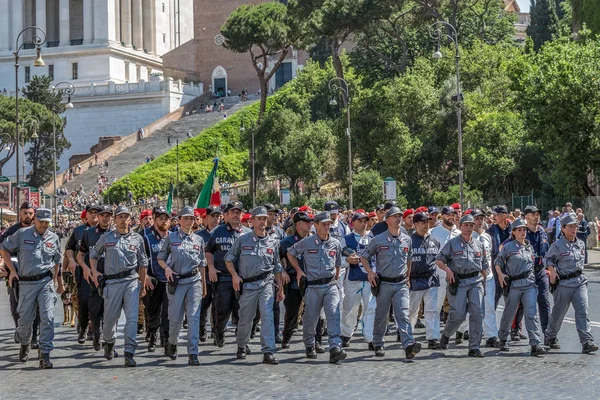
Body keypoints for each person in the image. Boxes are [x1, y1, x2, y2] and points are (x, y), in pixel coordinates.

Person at [1, 208, 63, 369]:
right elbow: (4, 248)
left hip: (45, 283)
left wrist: (56, 278)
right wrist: (12, 271)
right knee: (25, 321)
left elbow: (57, 260)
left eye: (47, 222)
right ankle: (24, 342)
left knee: (48, 318)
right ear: (35, 220)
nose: (43, 225)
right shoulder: (22, 234)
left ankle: (45, 354)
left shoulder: (54, 238)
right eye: (41, 221)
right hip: (26, 283)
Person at [90, 206, 148, 367]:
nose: (123, 219)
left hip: (131, 281)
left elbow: (143, 264)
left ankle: (129, 352)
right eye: (120, 216)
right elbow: (93, 255)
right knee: (109, 320)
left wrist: (142, 285)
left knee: (132, 318)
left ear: (131, 219)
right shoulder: (106, 238)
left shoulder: (137, 239)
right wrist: (94, 272)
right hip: (112, 283)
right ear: (114, 220)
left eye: (126, 216)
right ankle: (109, 342)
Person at [225, 206, 284, 365]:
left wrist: (280, 287)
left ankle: (268, 351)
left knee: (267, 316)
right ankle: (242, 345)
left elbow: (277, 266)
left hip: (266, 283)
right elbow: (229, 259)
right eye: (259, 218)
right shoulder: (242, 240)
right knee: (246, 318)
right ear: (252, 220)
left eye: (264, 218)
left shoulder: (273, 241)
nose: (262, 222)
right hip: (249, 285)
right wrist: (235, 276)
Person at [360, 206, 420, 359]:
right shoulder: (378, 239)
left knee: (403, 314)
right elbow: (364, 257)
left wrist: (408, 277)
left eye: (400, 216)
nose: (398, 219)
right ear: (387, 220)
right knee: (381, 315)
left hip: (400, 283)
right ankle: (378, 343)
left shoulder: (407, 239)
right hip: (384, 283)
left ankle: (408, 344)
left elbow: (409, 259)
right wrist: (370, 272)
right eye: (394, 216)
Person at [287, 211, 347, 364]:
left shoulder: (335, 243)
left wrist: (335, 277)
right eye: (324, 224)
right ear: (316, 225)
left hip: (330, 285)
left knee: (333, 314)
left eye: (329, 224)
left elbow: (338, 262)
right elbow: (290, 253)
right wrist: (299, 271)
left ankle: (335, 347)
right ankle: (309, 344)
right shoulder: (306, 242)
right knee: (311, 318)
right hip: (313, 286)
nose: (327, 227)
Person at [158, 206, 206, 366]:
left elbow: (202, 264)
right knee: (175, 318)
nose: (189, 221)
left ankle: (193, 352)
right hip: (177, 282)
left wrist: (204, 285)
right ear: (179, 220)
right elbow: (161, 258)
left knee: (193, 317)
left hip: (194, 281)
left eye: (191, 218)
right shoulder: (170, 238)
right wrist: (167, 268)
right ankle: (172, 342)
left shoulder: (199, 240)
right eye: (185, 218)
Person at [545, 213, 598, 354]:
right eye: (570, 227)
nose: (574, 229)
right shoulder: (557, 245)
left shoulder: (580, 244)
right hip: (563, 284)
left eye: (575, 226)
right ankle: (550, 336)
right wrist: (552, 271)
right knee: (559, 313)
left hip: (579, 282)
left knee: (583, 311)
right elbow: (548, 259)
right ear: (563, 228)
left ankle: (587, 341)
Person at [436, 214, 488, 357]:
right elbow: (439, 260)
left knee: (477, 313)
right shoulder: (452, 243)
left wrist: (484, 285)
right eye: (466, 225)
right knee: (458, 314)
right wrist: (447, 270)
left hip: (475, 281)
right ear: (460, 227)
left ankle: (474, 347)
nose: (469, 227)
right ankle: (446, 334)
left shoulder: (479, 244)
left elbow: (484, 266)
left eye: (472, 225)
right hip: (458, 282)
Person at [495, 218, 546, 356]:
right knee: (509, 313)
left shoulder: (529, 246)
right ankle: (503, 338)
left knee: (531, 314)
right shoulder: (508, 247)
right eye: (519, 230)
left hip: (529, 284)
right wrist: (500, 274)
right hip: (514, 285)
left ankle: (535, 343)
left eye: (524, 229)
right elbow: (498, 262)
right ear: (513, 232)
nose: (523, 232)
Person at [205, 201, 251, 347]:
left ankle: (242, 341)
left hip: (243, 277)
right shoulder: (216, 232)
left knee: (242, 311)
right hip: (223, 277)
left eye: (238, 212)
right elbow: (208, 251)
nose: (236, 215)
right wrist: (211, 267)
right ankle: (219, 331)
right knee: (223, 308)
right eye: (233, 212)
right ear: (226, 215)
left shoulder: (248, 233)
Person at [76, 205, 113, 353]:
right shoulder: (89, 233)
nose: (105, 218)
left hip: (112, 278)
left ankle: (109, 340)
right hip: (95, 279)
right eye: (102, 215)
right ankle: (96, 334)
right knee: (95, 311)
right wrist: (86, 269)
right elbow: (80, 255)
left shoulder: (116, 233)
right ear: (99, 217)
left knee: (111, 311)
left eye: (108, 215)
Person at [0, 202, 37, 345]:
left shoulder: (38, 230)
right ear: (20, 214)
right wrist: (3, 265)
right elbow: (2, 248)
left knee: (36, 306)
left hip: (34, 274)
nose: (27, 216)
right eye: (25, 213)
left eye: (30, 213)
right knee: (16, 307)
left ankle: (33, 337)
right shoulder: (12, 230)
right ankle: (20, 330)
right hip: (14, 273)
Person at [512, 206, 550, 343]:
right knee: (522, 302)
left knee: (544, 301)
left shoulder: (542, 232)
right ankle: (515, 328)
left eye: (538, 214)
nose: (536, 216)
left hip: (540, 270)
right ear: (526, 216)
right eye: (533, 214)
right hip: (525, 272)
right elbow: (505, 247)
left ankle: (548, 334)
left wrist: (549, 268)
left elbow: (547, 250)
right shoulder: (522, 231)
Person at [279, 211, 315, 349]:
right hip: (294, 280)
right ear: (298, 224)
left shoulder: (314, 239)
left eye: (311, 222)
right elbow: (276, 258)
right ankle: (287, 336)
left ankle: (314, 340)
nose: (310, 224)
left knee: (314, 310)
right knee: (292, 311)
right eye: (307, 222)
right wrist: (282, 271)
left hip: (311, 280)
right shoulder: (287, 242)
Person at [340, 210, 375, 349]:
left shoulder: (372, 239)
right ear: (353, 222)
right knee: (350, 308)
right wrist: (348, 260)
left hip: (368, 279)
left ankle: (370, 337)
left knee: (370, 308)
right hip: (352, 279)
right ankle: (346, 334)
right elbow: (339, 260)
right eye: (360, 221)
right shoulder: (346, 239)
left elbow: (378, 258)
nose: (363, 224)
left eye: (365, 221)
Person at [408, 212, 442, 349]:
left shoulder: (434, 241)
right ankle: (406, 333)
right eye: (423, 222)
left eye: (427, 222)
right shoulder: (409, 240)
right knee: (412, 310)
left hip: (431, 278)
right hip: (414, 279)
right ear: (416, 224)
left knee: (432, 309)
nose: (426, 224)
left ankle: (433, 337)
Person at [66, 204, 98, 345]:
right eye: (91, 212)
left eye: (97, 212)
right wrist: (71, 261)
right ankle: (83, 327)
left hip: (100, 273)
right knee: (84, 301)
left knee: (98, 304)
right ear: (86, 215)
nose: (94, 215)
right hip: (83, 272)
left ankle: (95, 330)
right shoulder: (79, 231)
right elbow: (69, 248)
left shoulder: (107, 231)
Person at [142, 206, 171, 353]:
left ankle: (166, 340)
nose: (163, 221)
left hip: (169, 281)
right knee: (153, 311)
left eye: (166, 219)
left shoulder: (174, 237)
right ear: (155, 220)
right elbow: (141, 260)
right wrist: (145, 276)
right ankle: (153, 336)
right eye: (160, 218)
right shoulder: (147, 238)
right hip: (153, 281)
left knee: (167, 313)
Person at [469, 209, 499, 348]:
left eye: (481, 218)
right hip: (474, 278)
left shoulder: (487, 236)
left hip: (489, 276)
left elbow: (490, 256)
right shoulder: (468, 237)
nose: (479, 221)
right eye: (476, 219)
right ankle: (464, 330)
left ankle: (491, 335)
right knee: (472, 308)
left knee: (489, 307)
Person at [430, 206, 460, 326]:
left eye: (453, 214)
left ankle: (460, 331)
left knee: (459, 306)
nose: (451, 217)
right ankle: (433, 334)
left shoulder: (459, 232)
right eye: (448, 214)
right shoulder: (434, 232)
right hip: (439, 275)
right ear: (442, 216)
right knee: (436, 306)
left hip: (457, 275)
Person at [196, 205, 221, 342]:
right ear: (206, 218)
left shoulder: (222, 233)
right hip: (203, 276)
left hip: (219, 275)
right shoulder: (198, 236)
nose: (216, 219)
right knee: (203, 305)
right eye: (213, 216)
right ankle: (201, 330)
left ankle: (216, 331)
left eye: (218, 216)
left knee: (218, 306)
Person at [487, 205, 512, 310]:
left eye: (496, 215)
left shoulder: (513, 228)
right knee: (497, 291)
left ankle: (514, 324)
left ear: (504, 215)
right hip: (496, 262)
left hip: (511, 262)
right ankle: (490, 316)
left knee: (512, 293)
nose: (494, 217)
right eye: (493, 214)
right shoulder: (491, 230)